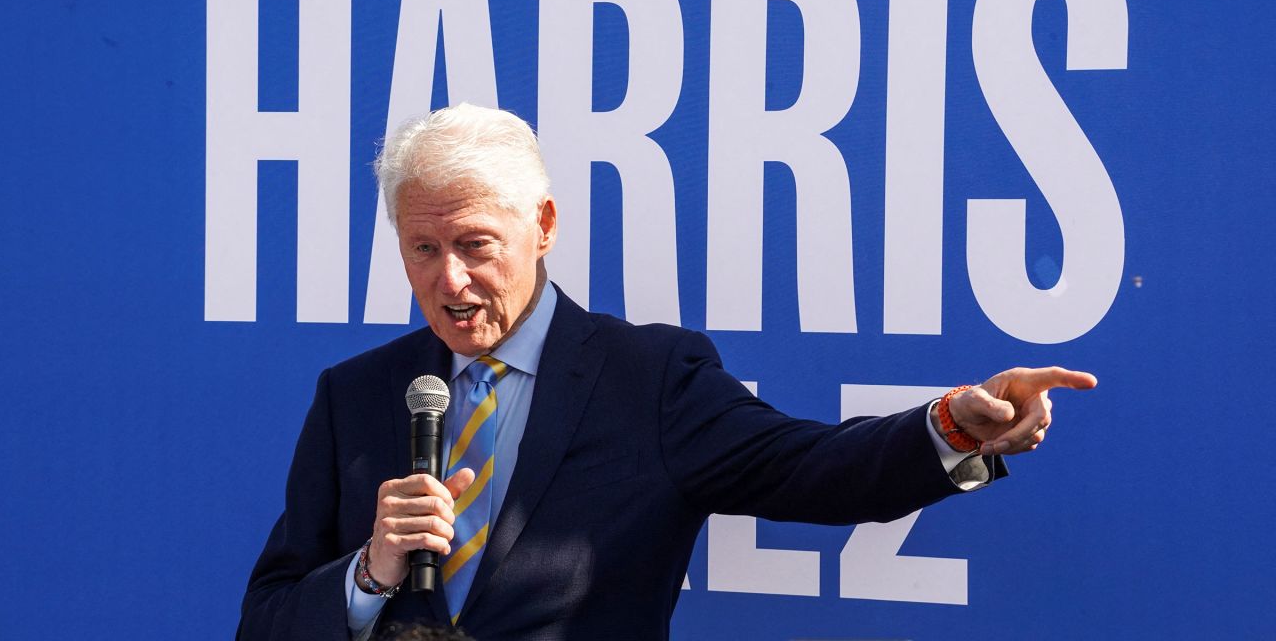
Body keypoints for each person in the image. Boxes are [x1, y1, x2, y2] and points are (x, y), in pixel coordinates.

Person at [238, 103, 1097, 641]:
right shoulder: (355, 396)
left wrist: (951, 425)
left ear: (542, 224)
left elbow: (818, 471)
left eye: (473, 246)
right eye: (421, 249)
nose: (447, 280)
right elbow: (267, 622)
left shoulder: (646, 377)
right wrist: (369, 574)